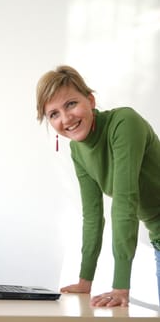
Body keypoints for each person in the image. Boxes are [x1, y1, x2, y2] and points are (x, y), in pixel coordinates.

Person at [36, 65, 160, 307]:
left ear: (90, 100)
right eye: (54, 114)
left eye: (71, 104)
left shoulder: (124, 123)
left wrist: (120, 286)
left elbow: (125, 201)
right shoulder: (77, 151)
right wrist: (85, 280)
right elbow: (93, 216)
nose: (66, 118)